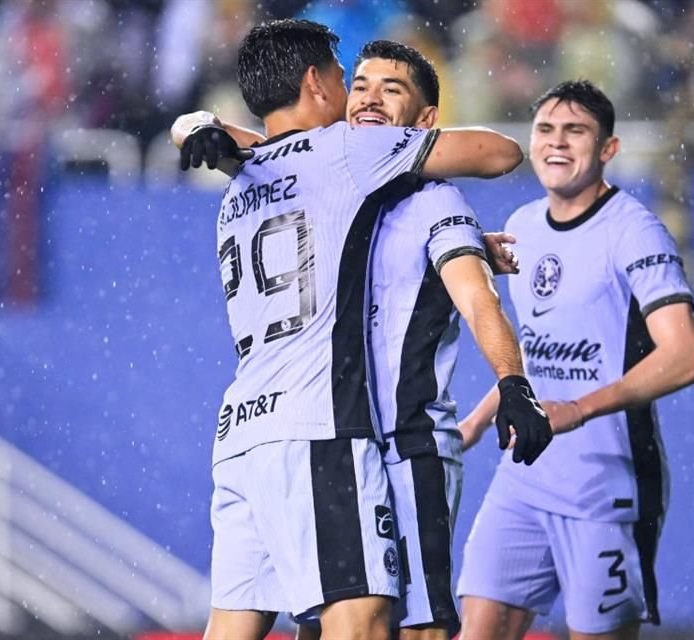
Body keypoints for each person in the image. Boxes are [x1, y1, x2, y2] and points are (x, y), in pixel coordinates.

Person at [182, 20, 552, 640]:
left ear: (423, 117)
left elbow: (443, 282)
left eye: (390, 89)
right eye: (351, 79)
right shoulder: (351, 156)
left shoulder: (243, 178)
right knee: (364, 623)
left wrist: (196, 127)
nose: (365, 97)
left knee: (253, 627)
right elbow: (500, 153)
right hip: (323, 428)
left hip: (251, 431)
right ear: (318, 85)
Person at [456, 79, 694, 640]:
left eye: (577, 131)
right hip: (524, 476)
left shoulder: (636, 232)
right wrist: (471, 423)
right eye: (546, 129)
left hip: (605, 488)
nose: (557, 143)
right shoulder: (520, 227)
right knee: (478, 628)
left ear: (608, 149)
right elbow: (535, 349)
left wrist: (580, 408)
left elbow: (686, 355)